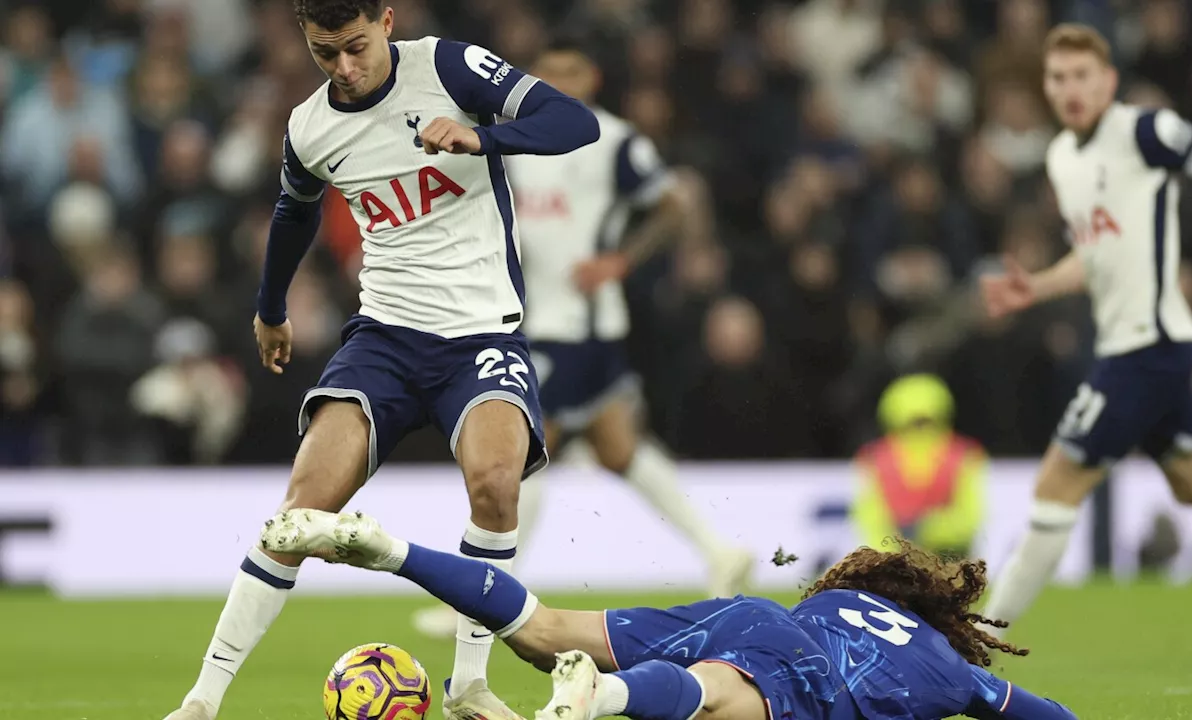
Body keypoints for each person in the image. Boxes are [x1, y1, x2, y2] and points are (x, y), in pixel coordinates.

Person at [162, 2, 600, 719]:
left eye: (356, 47)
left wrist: (484, 137)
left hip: (483, 336)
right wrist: (271, 309)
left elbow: (573, 121)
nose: (344, 67)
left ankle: (468, 685)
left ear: (387, 21)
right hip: (386, 342)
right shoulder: (310, 127)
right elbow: (293, 211)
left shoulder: (450, 68)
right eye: (324, 52)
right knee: (301, 512)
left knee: (495, 485)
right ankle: (203, 700)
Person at [412, 37, 751, 639]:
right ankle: (720, 551)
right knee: (618, 448)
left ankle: (483, 593)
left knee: (517, 450)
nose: (559, 82)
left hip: (577, 325)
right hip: (537, 318)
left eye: (570, 72)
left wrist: (621, 260)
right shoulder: (515, 134)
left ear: (591, 78)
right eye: (548, 72)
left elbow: (673, 206)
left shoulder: (614, 138)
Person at [979, 23, 1192, 636]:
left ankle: (980, 641)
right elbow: (1094, 259)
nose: (1071, 88)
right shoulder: (1062, 158)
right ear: (1047, 86)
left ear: (1108, 81)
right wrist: (1036, 286)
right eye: (1058, 77)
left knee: (1057, 480)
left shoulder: (1147, 131)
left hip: (1149, 347)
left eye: (1082, 76)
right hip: (1139, 347)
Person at [261, 508, 1078, 720]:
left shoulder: (846, 594)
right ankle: (605, 698)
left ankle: (392, 550)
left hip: (755, 614)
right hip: (805, 675)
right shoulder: (949, 671)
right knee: (719, 695)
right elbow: (1045, 714)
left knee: (544, 631)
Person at [854, 374, 986, 559]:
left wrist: (927, 531)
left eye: (924, 422)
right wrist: (889, 551)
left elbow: (970, 515)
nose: (920, 429)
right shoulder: (873, 458)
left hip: (948, 555)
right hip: (895, 559)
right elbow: (870, 514)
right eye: (915, 422)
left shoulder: (965, 455)